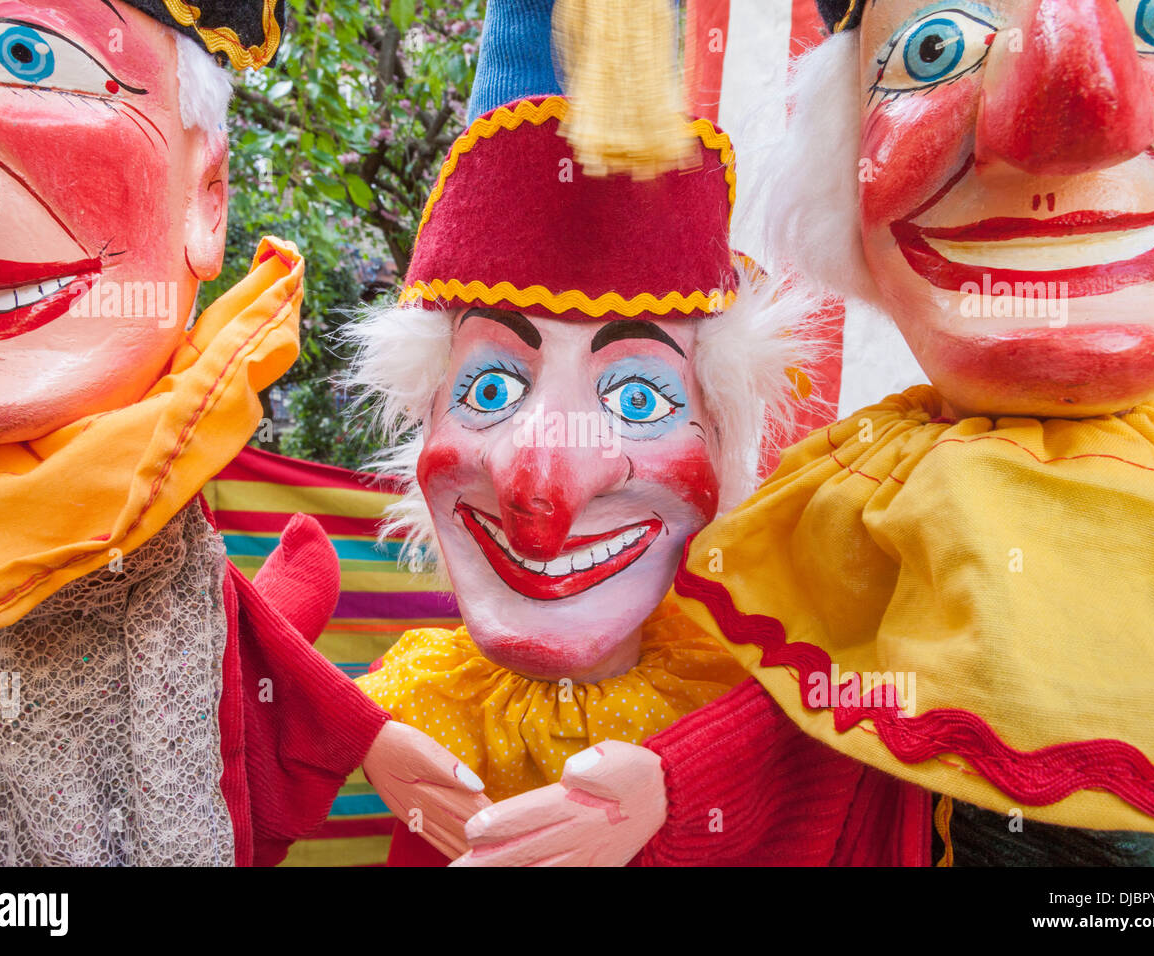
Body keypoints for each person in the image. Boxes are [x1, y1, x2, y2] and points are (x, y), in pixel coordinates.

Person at [458, 0, 1154, 866]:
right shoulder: (869, 487)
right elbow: (824, 699)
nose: (1078, 116)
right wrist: (677, 784)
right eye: (936, 51)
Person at [0, 0, 485, 866]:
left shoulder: (155, 486)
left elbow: (225, 628)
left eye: (27, 56)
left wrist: (368, 738)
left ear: (208, 201)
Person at [344, 0, 816, 865]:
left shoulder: (743, 692)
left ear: (719, 436)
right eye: (490, 385)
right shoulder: (432, 699)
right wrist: (358, 730)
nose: (540, 482)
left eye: (638, 400)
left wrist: (681, 782)